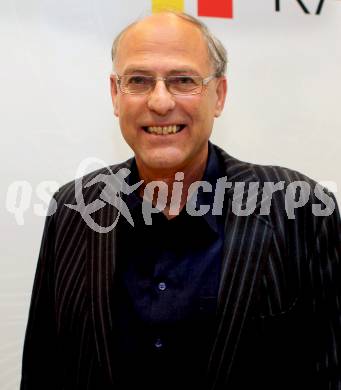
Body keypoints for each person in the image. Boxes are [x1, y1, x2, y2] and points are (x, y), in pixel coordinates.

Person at [21, 11, 340, 390]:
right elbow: (43, 371)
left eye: (183, 80)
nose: (159, 102)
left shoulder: (300, 210)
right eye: (138, 81)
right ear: (115, 94)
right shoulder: (72, 210)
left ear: (218, 95)